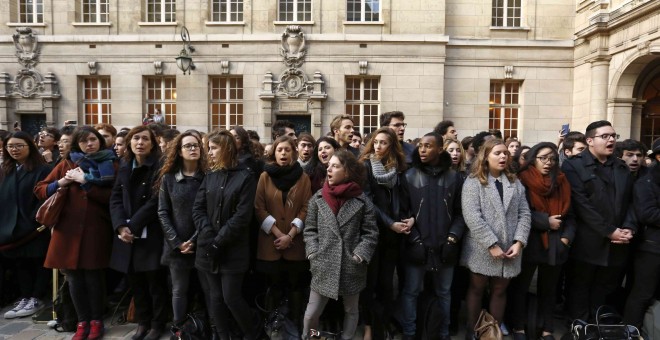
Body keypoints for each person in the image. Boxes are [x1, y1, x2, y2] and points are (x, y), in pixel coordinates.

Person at [35, 127, 118, 340]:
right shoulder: (67, 163)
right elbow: (41, 189)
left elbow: (113, 197)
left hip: (95, 230)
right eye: (84, 141)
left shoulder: (112, 163)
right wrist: (63, 181)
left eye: (93, 139)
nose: (89, 144)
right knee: (73, 278)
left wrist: (86, 183)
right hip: (67, 230)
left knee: (93, 277)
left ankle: (96, 320)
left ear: (100, 141)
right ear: (77, 144)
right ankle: (82, 321)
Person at [561, 120, 636, 322]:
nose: (611, 139)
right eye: (605, 136)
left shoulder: (621, 167)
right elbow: (582, 205)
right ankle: (581, 328)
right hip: (587, 242)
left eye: (613, 136)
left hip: (617, 243)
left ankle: (599, 327)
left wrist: (629, 227)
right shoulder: (573, 165)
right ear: (590, 141)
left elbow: (630, 202)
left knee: (604, 290)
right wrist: (609, 231)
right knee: (580, 288)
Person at [192, 130, 262, 340]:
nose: (209, 153)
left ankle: (251, 334)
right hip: (208, 248)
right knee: (215, 297)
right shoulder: (210, 175)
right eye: (208, 149)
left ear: (226, 148)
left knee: (231, 297)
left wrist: (219, 240)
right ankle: (222, 336)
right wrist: (207, 233)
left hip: (233, 249)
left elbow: (242, 216)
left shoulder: (246, 177)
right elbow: (198, 208)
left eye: (213, 148)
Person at [302, 150, 379, 339]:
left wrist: (359, 256)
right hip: (323, 264)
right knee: (311, 314)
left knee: (351, 311)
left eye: (335, 166)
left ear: (348, 171)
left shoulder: (362, 201)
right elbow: (310, 230)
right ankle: (311, 337)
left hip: (351, 266)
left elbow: (370, 233)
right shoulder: (318, 198)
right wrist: (313, 252)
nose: (329, 169)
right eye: (329, 166)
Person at [461, 138, 531, 340]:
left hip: (510, 247)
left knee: (500, 290)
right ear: (485, 157)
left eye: (505, 153)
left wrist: (519, 242)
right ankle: (472, 331)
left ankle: (493, 332)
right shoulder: (474, 181)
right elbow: (472, 216)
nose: (503, 157)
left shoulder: (514, 182)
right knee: (477, 288)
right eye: (497, 153)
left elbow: (524, 214)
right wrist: (491, 244)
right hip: (482, 247)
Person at [400, 132, 466, 340]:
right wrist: (414, 240)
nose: (422, 149)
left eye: (428, 146)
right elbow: (403, 212)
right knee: (411, 291)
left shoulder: (454, 177)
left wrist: (452, 239)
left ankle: (443, 333)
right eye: (420, 146)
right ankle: (410, 333)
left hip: (445, 246)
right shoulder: (409, 176)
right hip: (417, 246)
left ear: (439, 149)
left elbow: (460, 213)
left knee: (444, 292)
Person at [509, 142, 575, 340]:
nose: (548, 163)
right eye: (543, 158)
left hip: (556, 243)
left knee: (549, 289)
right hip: (529, 240)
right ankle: (518, 327)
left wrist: (566, 239)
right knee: (520, 287)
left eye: (552, 159)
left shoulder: (562, 180)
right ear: (533, 159)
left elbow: (571, 214)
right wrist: (545, 221)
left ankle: (547, 329)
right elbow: (519, 211)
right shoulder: (521, 179)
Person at [109, 126, 167, 340]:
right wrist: (119, 226)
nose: (140, 142)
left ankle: (157, 324)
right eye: (136, 139)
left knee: (155, 283)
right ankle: (142, 322)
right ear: (129, 143)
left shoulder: (160, 166)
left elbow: (156, 200)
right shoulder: (124, 165)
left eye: (145, 139)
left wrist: (131, 225)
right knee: (136, 283)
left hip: (149, 231)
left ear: (153, 144)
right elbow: (115, 198)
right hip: (127, 233)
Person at [254, 135, 312, 329]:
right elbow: (259, 208)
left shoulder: (303, 177)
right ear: (274, 153)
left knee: (295, 285)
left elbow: (306, 207)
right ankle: (272, 323)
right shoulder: (264, 176)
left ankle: (295, 323)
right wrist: (280, 235)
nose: (283, 153)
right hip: (271, 242)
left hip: (294, 242)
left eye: (287, 150)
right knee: (273, 285)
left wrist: (291, 235)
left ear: (293, 153)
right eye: (279, 150)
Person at [359, 127, 411, 339]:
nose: (379, 146)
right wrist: (390, 223)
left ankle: (385, 323)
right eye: (376, 142)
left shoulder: (399, 169)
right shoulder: (365, 166)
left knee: (387, 284)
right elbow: (368, 201)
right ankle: (369, 326)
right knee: (370, 283)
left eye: (384, 143)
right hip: (374, 232)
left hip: (394, 234)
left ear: (392, 146)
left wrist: (410, 217)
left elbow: (406, 198)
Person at [156, 131, 206, 330]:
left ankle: (203, 327)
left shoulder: (208, 178)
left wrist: (194, 239)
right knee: (179, 290)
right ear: (178, 151)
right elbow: (162, 212)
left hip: (202, 242)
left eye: (196, 145)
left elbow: (209, 214)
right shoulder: (169, 178)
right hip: (176, 245)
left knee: (205, 290)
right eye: (188, 146)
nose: (193, 149)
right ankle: (179, 329)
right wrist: (176, 241)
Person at [0, 132, 52, 319]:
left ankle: (36, 297)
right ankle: (25, 295)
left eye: (19, 145)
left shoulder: (42, 169)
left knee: (37, 261)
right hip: (10, 227)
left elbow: (45, 197)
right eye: (10, 146)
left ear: (29, 146)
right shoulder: (6, 169)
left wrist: (34, 220)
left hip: (33, 226)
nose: (14, 149)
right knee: (19, 263)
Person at [623, 138, 660, 328]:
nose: (635, 159)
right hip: (651, 248)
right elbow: (648, 214)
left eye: (639, 155)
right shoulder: (647, 182)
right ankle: (631, 331)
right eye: (630, 155)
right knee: (641, 294)